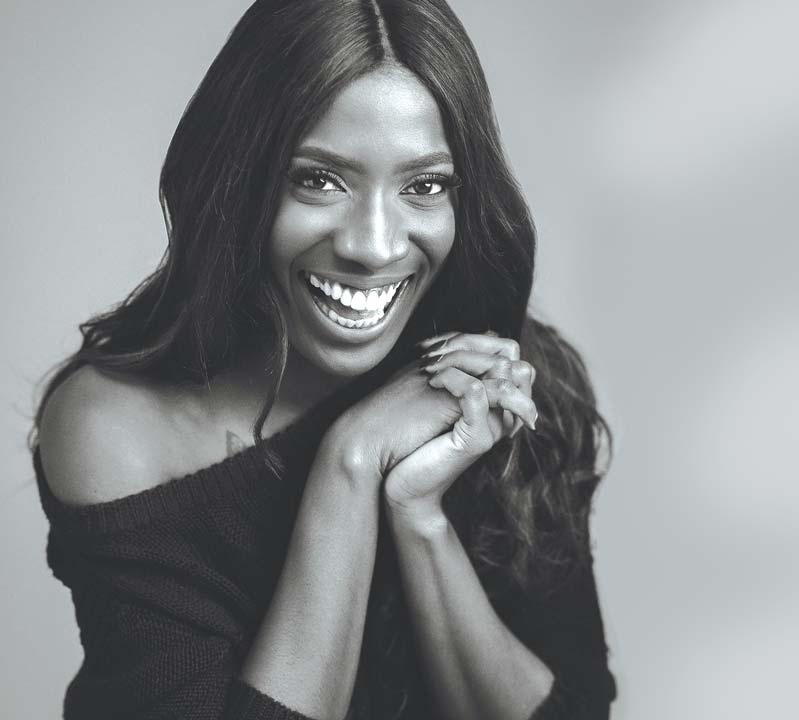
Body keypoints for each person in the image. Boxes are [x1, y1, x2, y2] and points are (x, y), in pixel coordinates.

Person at [28, 1, 616, 718]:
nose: (374, 246)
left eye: (424, 186)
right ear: (238, 178)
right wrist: (351, 462)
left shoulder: (499, 383)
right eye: (319, 180)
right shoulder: (115, 429)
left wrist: (417, 516)